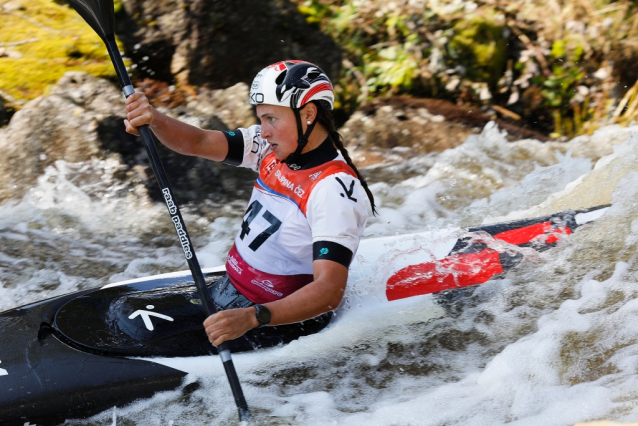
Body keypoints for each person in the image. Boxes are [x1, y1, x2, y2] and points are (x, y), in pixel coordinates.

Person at [124, 60, 377, 351]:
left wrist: (254, 317)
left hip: (277, 320)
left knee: (144, 339)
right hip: (230, 293)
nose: (264, 130)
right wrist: (155, 119)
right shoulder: (268, 148)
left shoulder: (334, 190)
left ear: (308, 113)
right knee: (131, 320)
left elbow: (329, 291)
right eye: (261, 119)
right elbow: (199, 141)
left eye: (272, 119)